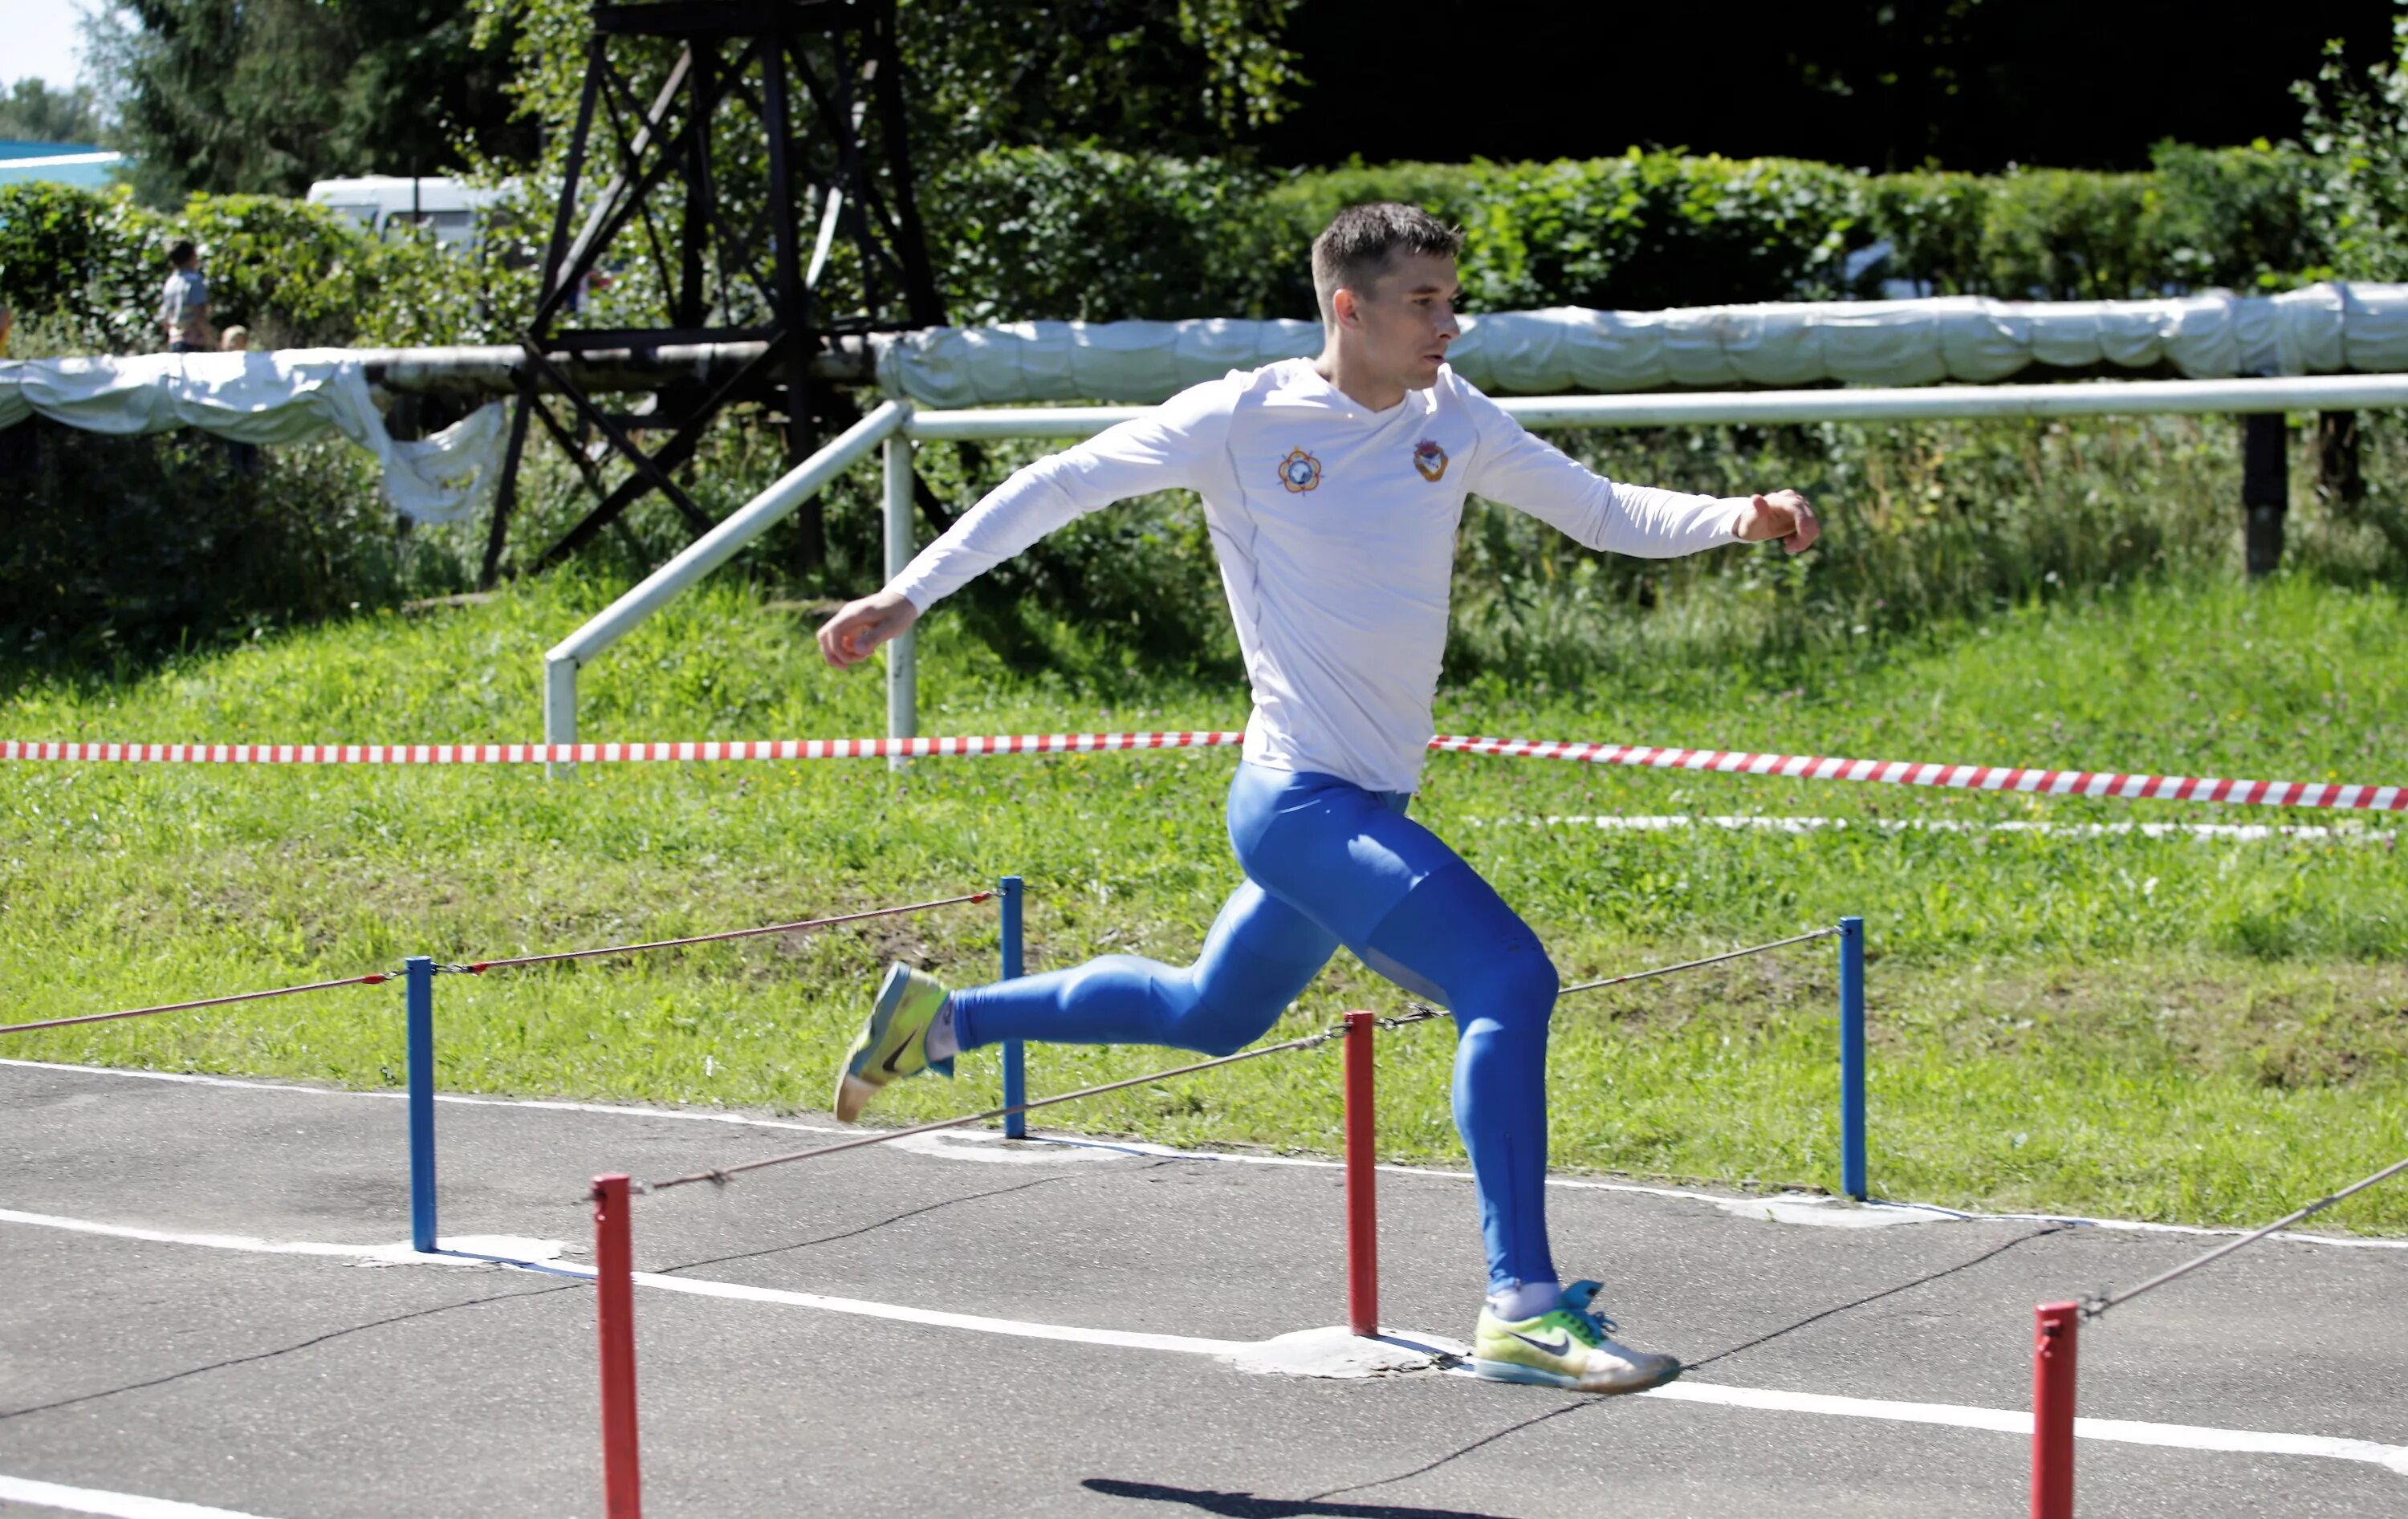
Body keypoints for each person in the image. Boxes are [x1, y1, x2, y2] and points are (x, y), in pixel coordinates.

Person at [815, 203, 1820, 1395]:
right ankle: (1524, 1305)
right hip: (1299, 800)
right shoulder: (1245, 418)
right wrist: (908, 597)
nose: (1451, 324)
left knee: (1208, 1012)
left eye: (1454, 300)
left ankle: (942, 1022)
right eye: (1426, 304)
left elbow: (1602, 512)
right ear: (1350, 308)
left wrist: (1735, 520)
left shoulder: (1455, 419)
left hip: (1358, 798)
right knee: (1508, 980)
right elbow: (1058, 484)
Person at [159, 241, 214, 354]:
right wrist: (212, 341)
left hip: (174, 341)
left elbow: (165, 319)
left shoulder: (170, 283)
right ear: (192, 257)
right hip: (194, 343)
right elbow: (199, 315)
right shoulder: (194, 280)